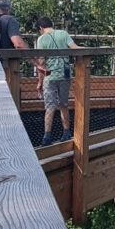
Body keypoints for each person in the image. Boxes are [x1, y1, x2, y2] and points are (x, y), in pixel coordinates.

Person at [35, 16, 78, 145]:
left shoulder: (41, 39)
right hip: (65, 75)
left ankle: (47, 136)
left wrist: (39, 82)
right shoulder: (63, 34)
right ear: (51, 24)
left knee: (50, 106)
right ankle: (66, 133)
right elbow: (75, 48)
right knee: (64, 104)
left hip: (50, 76)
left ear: (41, 28)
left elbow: (41, 62)